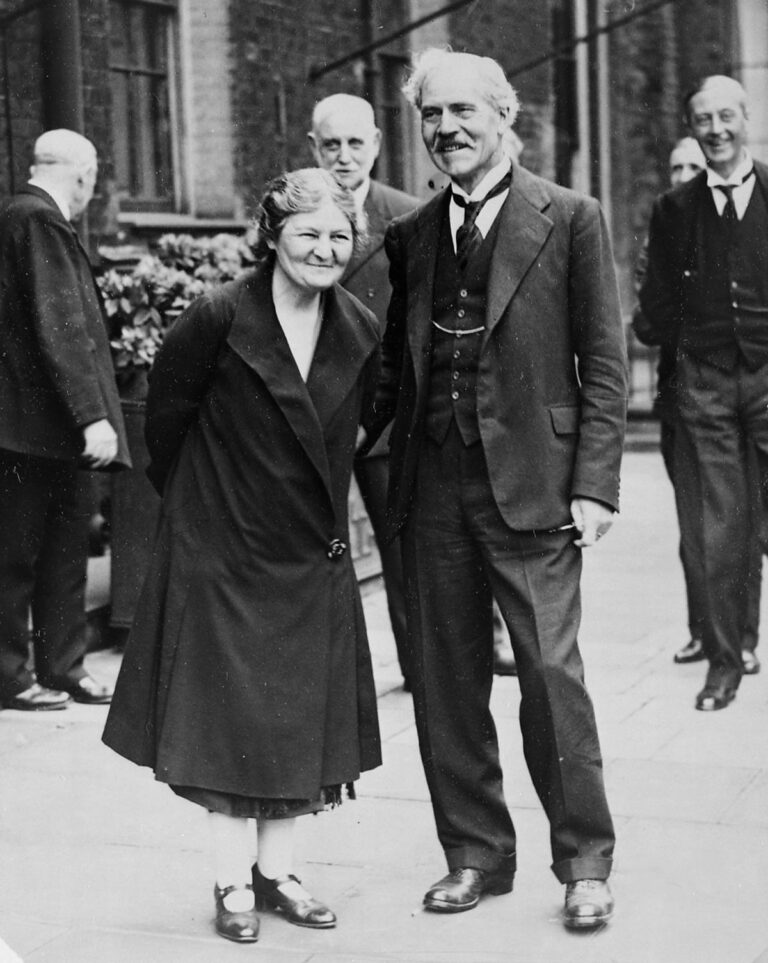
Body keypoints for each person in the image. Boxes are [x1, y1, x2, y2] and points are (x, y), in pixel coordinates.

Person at [362, 49, 627, 929]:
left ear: (504, 114)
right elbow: (395, 375)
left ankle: (585, 860)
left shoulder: (573, 217)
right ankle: (475, 852)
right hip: (432, 486)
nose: (447, 130)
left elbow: (605, 365)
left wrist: (594, 486)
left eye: (464, 112)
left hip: (538, 488)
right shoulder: (411, 234)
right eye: (432, 117)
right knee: (445, 677)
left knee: (551, 674)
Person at [102, 169, 382, 943]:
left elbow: (368, 418)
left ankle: (280, 873)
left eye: (338, 236)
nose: (325, 249)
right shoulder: (220, 315)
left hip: (304, 552)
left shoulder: (358, 325)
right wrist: (203, 510)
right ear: (273, 235)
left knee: (295, 718)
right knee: (228, 719)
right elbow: (167, 418)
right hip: (222, 544)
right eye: (308, 234)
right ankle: (231, 883)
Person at [639, 75, 768, 710]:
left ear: (747, 119)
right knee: (720, 527)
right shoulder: (675, 209)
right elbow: (655, 304)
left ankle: (746, 636)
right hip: (708, 387)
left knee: (757, 525)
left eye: (726, 117)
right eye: (702, 120)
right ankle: (724, 662)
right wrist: (695, 357)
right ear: (691, 128)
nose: (715, 130)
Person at [0, 129, 130, 711]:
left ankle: (61, 667)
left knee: (62, 548)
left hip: (42, 427)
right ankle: (15, 674)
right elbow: (62, 327)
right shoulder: (39, 221)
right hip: (34, 427)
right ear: (84, 176)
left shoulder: (23, 216)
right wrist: (92, 417)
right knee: (21, 555)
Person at [309, 93, 419, 688]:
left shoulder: (407, 218)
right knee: (311, 547)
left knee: (401, 550)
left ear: (376, 144)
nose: (345, 157)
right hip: (314, 414)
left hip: (382, 417)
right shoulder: (291, 213)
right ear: (314, 148)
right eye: (332, 145)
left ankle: (419, 670)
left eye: (356, 143)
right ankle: (326, 678)